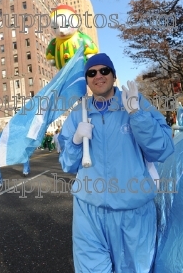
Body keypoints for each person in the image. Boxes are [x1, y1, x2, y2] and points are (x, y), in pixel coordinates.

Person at [58, 53, 174, 273]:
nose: (98, 76)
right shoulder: (78, 114)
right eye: (92, 73)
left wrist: (137, 116)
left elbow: (162, 149)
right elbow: (67, 165)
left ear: (113, 75)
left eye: (104, 71)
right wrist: (74, 142)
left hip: (133, 211)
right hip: (88, 211)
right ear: (87, 80)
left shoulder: (135, 103)